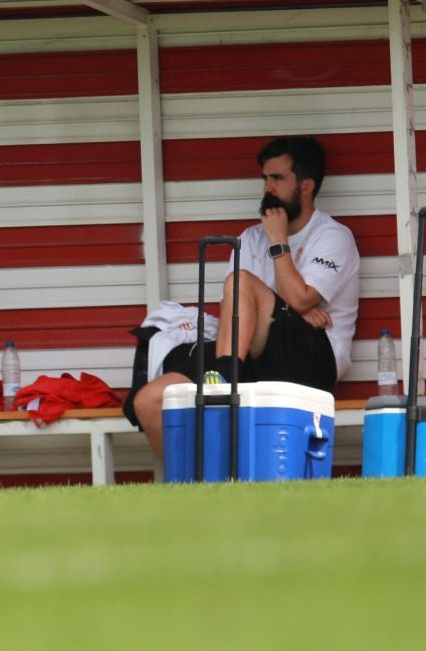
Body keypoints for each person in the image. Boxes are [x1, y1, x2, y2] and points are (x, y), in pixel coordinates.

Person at [131, 136, 361, 463]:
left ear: (306, 186)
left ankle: (224, 381)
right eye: (265, 178)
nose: (268, 187)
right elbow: (241, 309)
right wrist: (295, 307)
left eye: (277, 178)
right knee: (152, 400)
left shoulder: (333, 236)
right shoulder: (249, 238)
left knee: (242, 281)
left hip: (314, 361)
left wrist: (279, 243)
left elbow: (296, 299)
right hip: (249, 357)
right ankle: (188, 497)